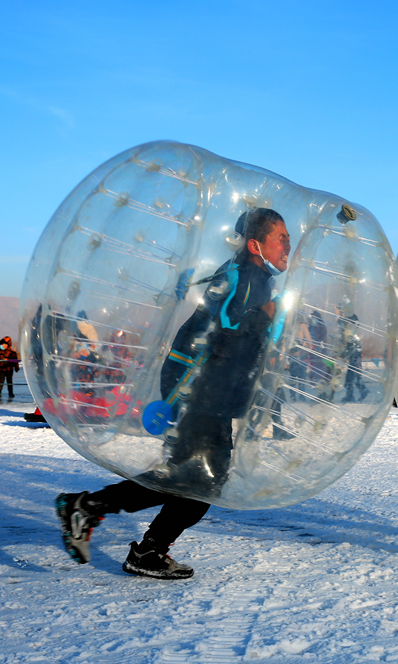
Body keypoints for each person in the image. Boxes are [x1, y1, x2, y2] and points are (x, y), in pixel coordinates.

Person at [55, 208, 291, 580]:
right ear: (255, 245)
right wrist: (265, 315)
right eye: (282, 238)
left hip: (213, 396)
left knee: (198, 481)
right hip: (201, 393)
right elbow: (222, 332)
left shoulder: (255, 277)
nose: (289, 246)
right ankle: (100, 515)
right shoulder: (244, 277)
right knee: (198, 481)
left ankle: (126, 533)